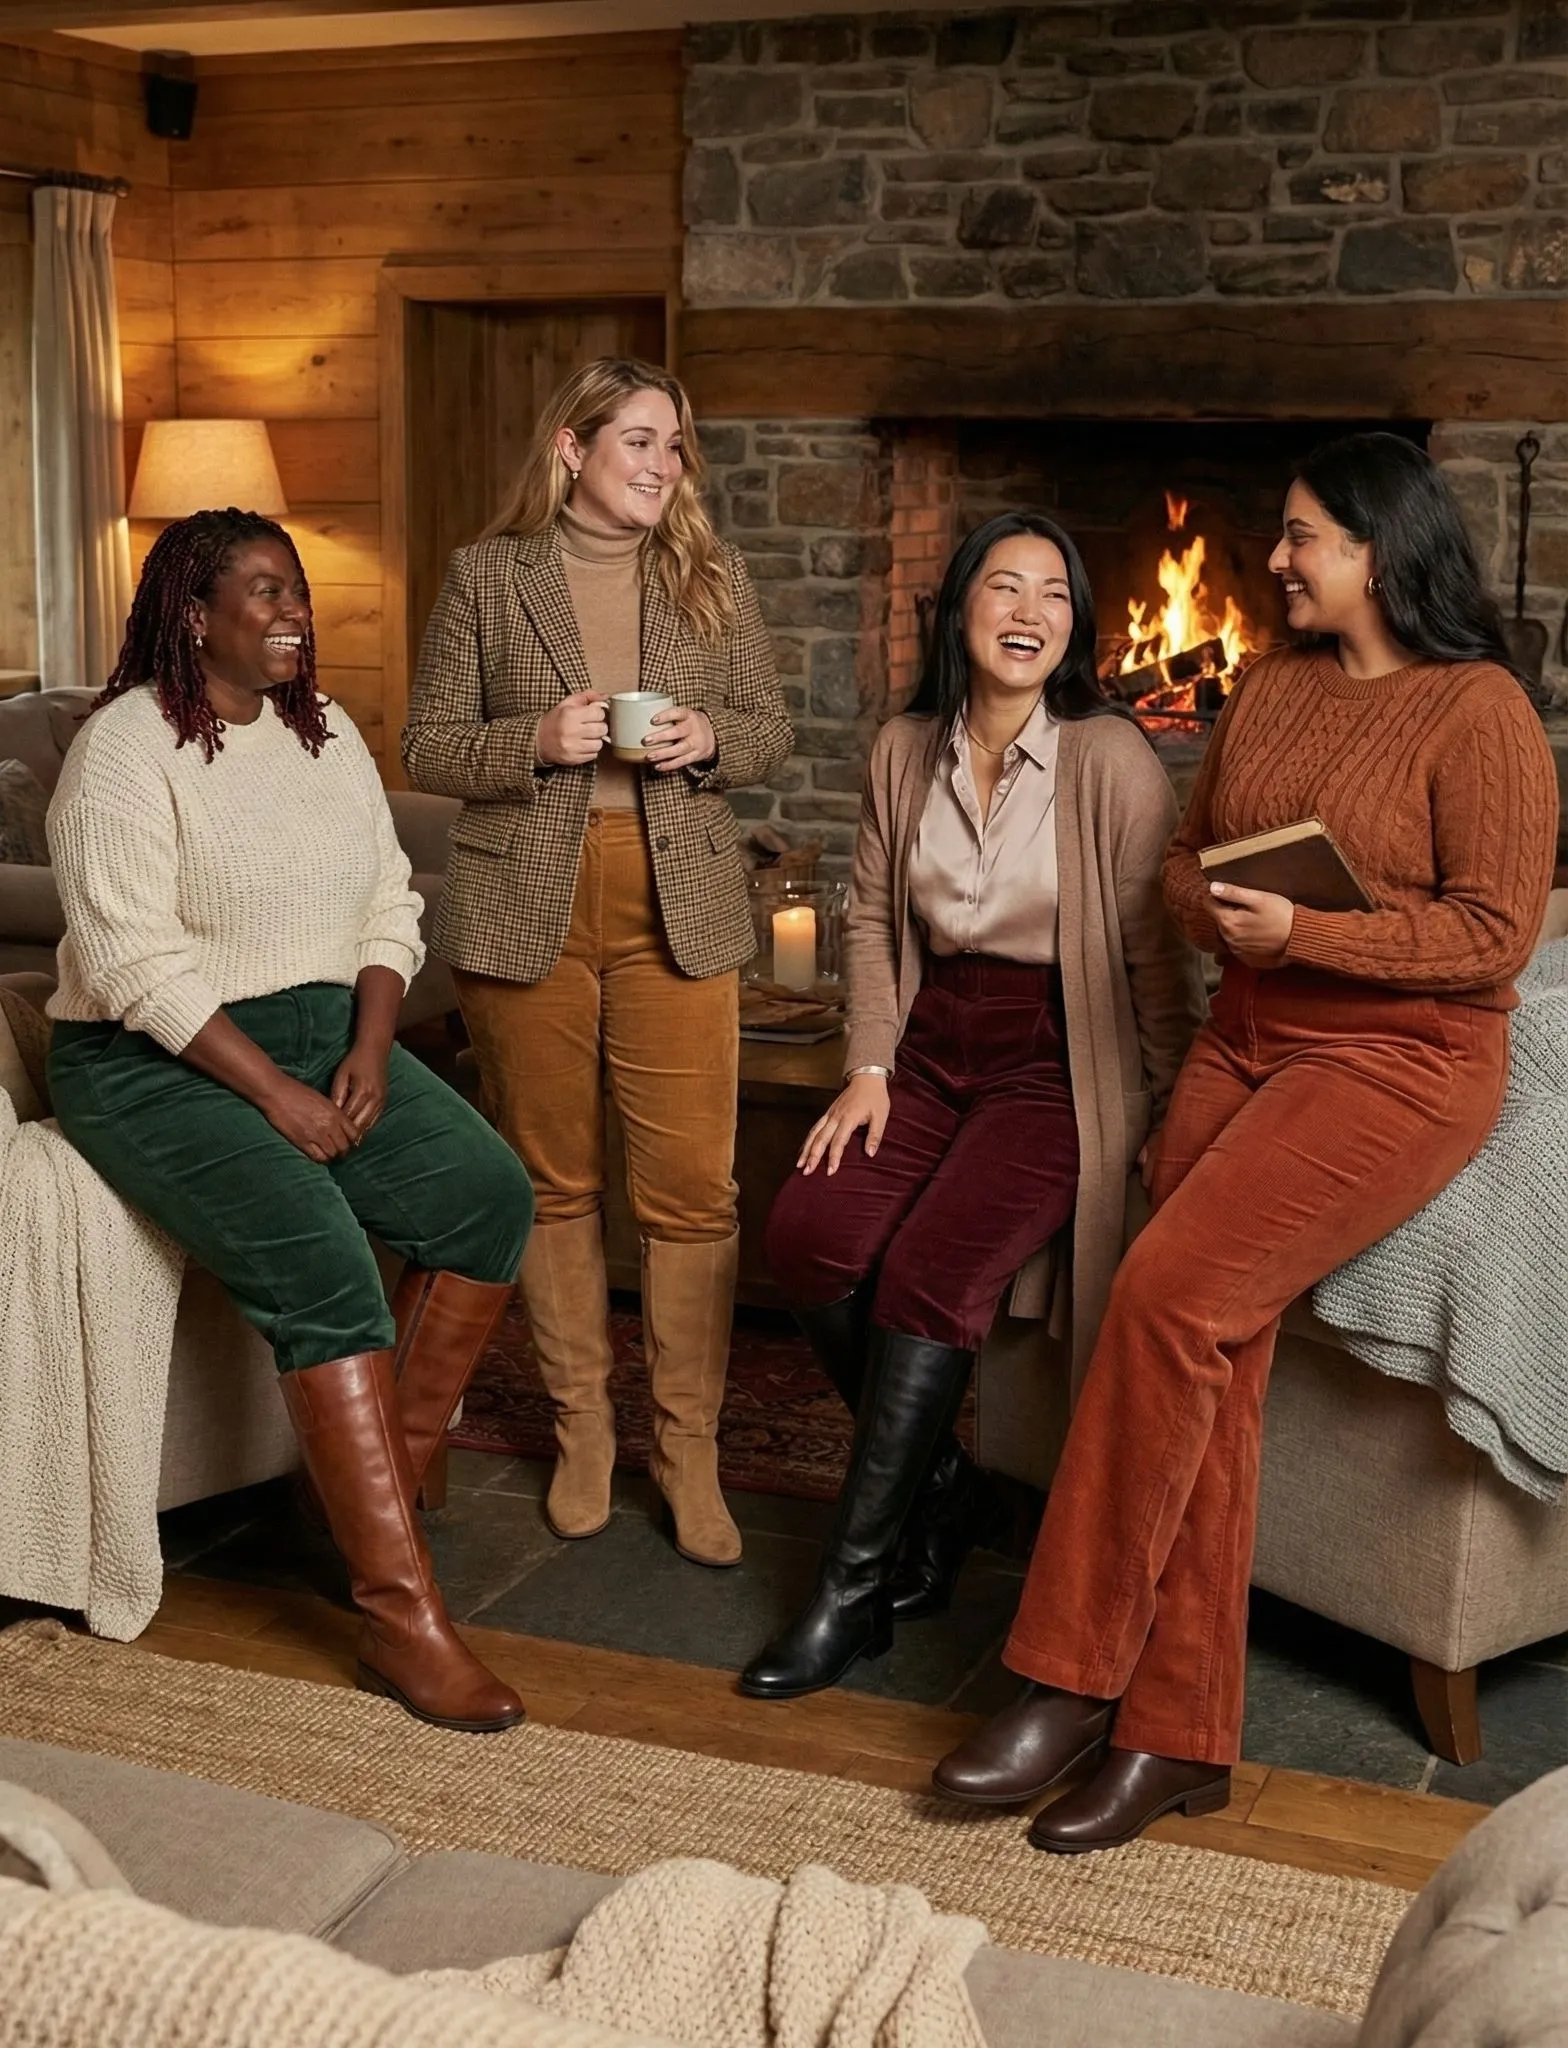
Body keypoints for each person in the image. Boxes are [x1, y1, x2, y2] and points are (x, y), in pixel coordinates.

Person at [934, 433, 1560, 1851]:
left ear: (1381, 550)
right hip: (1247, 1037)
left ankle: (1068, 1678)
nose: (1273, 561)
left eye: (1300, 539)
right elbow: (1181, 858)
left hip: (1404, 1061)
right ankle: (1178, 1736)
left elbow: (1493, 937)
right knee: (1207, 1344)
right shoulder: (1266, 688)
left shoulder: (1483, 713)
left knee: (1163, 1295)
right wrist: (1219, 916)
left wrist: (1317, 935)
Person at [46, 509, 532, 1735]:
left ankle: (349, 1500)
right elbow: (129, 959)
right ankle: (397, 1613)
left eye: (297, 591)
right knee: (322, 1258)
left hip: (325, 1031)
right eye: (261, 592)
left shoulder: (328, 734)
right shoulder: (124, 748)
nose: (291, 612)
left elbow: (386, 896)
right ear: (192, 613)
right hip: (154, 1058)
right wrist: (276, 1093)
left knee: (485, 1195)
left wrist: (371, 1046)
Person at [739, 512, 1204, 1701]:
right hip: (925, 1044)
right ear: (956, 608)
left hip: (1052, 1058)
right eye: (1004, 584)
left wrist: (1167, 1107)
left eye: (1053, 592)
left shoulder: (1108, 756)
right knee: (805, 1234)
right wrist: (867, 1063)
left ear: (1075, 627)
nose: (1028, 609)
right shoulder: (903, 747)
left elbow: (1154, 956)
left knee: (931, 1276)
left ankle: (852, 1587)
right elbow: (863, 916)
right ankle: (940, 1488)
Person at [403, 357, 791, 1570]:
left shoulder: (708, 572)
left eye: (673, 446)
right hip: (528, 909)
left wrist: (713, 735)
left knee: (691, 1194)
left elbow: (773, 727)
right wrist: (534, 737)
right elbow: (424, 742)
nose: (661, 467)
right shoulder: (486, 575)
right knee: (552, 1182)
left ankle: (688, 1450)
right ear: (570, 449)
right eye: (637, 441)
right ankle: (582, 1431)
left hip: (679, 905)